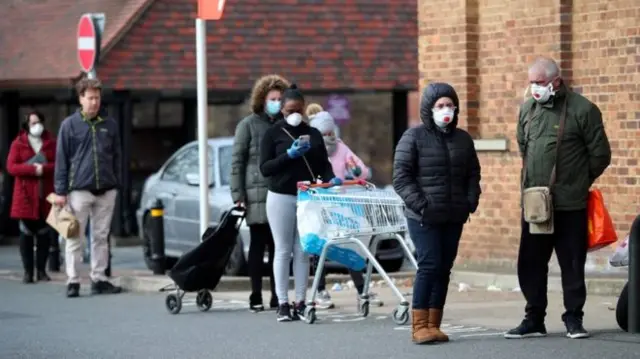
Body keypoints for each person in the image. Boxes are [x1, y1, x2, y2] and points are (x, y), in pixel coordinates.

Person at [505, 57, 611, 340]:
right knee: (530, 262)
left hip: (570, 204)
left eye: (539, 83)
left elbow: (600, 155)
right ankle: (534, 319)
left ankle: (574, 318)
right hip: (535, 204)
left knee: (572, 263)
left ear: (555, 81)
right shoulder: (528, 109)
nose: (534, 88)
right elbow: (523, 146)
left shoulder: (582, 109)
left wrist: (577, 182)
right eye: (531, 83)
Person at [393, 82, 481, 344]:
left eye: (450, 105)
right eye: (440, 106)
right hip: (423, 217)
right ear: (429, 109)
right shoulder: (413, 137)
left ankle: (434, 324)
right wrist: (422, 205)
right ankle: (419, 325)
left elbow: (473, 174)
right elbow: (401, 177)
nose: (446, 110)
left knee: (444, 268)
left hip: (453, 215)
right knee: (429, 265)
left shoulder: (463, 139)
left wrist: (469, 201)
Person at [259, 84, 341, 322]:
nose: (293, 114)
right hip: (280, 196)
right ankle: (282, 302)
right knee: (283, 250)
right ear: (281, 110)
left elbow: (323, 164)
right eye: (288, 110)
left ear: (304, 109)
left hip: (307, 197)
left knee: (303, 251)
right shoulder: (272, 133)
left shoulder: (314, 134)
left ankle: (301, 301)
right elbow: (265, 168)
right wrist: (289, 155)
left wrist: (330, 178)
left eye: (297, 109)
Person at [54, 77, 123, 298]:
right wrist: (60, 192)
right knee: (75, 237)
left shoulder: (110, 124)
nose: (95, 102)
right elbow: (61, 160)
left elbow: (117, 157)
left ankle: (99, 278)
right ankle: (73, 281)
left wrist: (116, 183)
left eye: (98, 97)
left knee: (101, 237)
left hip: (106, 190)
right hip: (78, 191)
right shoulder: (69, 126)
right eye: (90, 97)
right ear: (81, 98)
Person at [308, 110, 383, 309]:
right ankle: (320, 290)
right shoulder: (311, 149)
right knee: (319, 249)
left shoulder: (341, 148)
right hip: (319, 204)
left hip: (341, 206)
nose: (328, 137)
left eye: (330, 132)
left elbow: (362, 170)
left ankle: (361, 290)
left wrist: (358, 171)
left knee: (350, 245)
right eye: (323, 133)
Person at [231, 74, 289, 312]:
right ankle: (255, 294)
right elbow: (238, 161)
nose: (276, 102)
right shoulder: (247, 125)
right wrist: (238, 194)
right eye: (272, 98)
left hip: (279, 191)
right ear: (262, 100)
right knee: (257, 244)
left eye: (280, 98)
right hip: (256, 194)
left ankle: (277, 294)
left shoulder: (286, 125)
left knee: (278, 246)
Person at [6, 110, 56, 283]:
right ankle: (28, 272)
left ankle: (41, 270)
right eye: (33, 123)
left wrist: (45, 169)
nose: (37, 126)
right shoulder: (18, 144)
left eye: (39, 122)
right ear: (27, 125)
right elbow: (11, 167)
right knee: (26, 234)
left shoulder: (51, 143)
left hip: (45, 195)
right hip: (26, 195)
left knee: (44, 234)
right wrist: (33, 169)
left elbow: (59, 164)